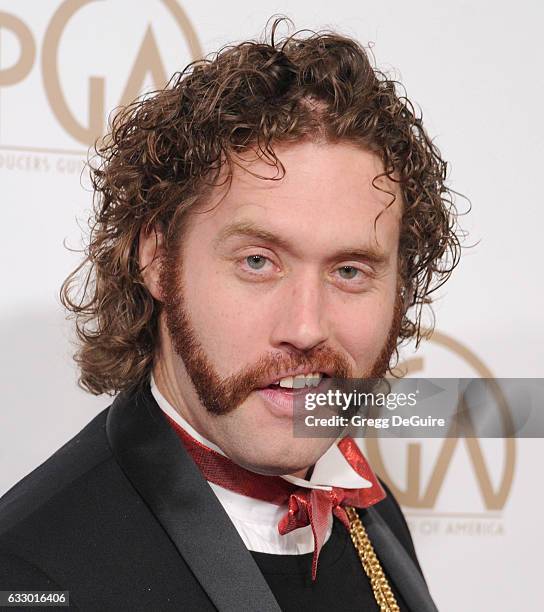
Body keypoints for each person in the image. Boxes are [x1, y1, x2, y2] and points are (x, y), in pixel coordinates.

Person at [0, 19, 460, 611]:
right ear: (159, 262)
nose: (305, 326)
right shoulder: (31, 573)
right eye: (258, 261)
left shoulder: (370, 509)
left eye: (350, 271)